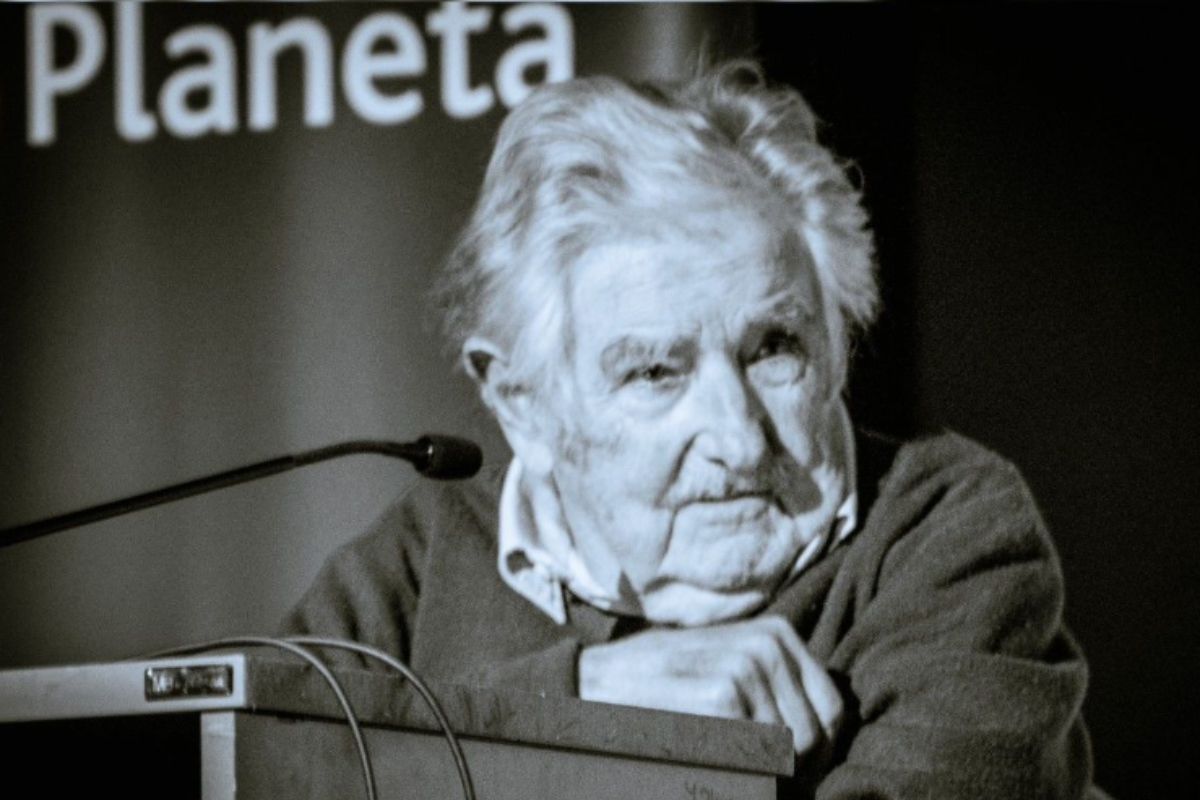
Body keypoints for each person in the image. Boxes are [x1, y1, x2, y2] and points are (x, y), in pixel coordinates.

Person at [282, 63, 1098, 798]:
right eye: (654, 373)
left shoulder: (941, 528)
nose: (739, 441)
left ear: (837, 345)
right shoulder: (420, 563)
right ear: (523, 402)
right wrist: (580, 700)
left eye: (773, 348)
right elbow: (256, 764)